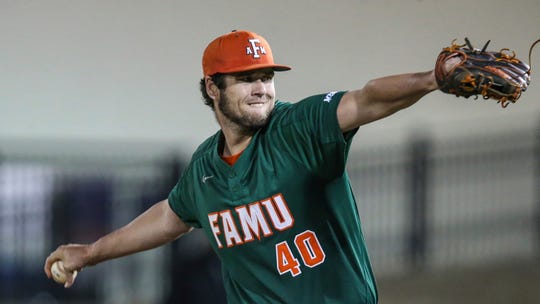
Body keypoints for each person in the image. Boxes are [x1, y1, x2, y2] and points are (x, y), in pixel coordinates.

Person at [45, 30, 442, 303]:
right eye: (246, 78)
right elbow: (170, 217)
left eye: (267, 76)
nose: (262, 88)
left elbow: (366, 99)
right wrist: (91, 253)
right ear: (213, 88)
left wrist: (432, 78)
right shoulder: (205, 167)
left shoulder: (295, 128)